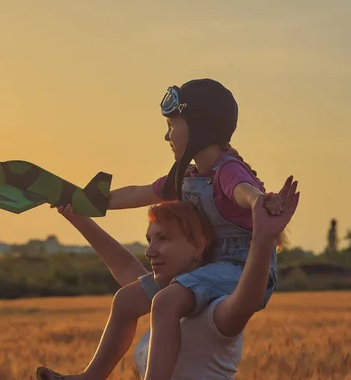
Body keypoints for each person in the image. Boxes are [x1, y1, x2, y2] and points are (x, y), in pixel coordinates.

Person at [38, 78, 287, 380]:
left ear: (199, 126)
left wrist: (261, 202)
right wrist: (86, 203)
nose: (166, 135)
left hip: (241, 268)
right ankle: (90, 377)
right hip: (205, 267)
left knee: (166, 301)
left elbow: (245, 191)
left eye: (172, 125)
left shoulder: (228, 170)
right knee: (125, 300)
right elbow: (137, 193)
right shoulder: (186, 177)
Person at [37, 176, 300, 379]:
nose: (150, 251)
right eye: (149, 240)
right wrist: (77, 217)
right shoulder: (164, 302)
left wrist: (263, 237)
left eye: (163, 239)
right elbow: (124, 267)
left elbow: (248, 298)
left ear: (200, 245)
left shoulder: (213, 314)